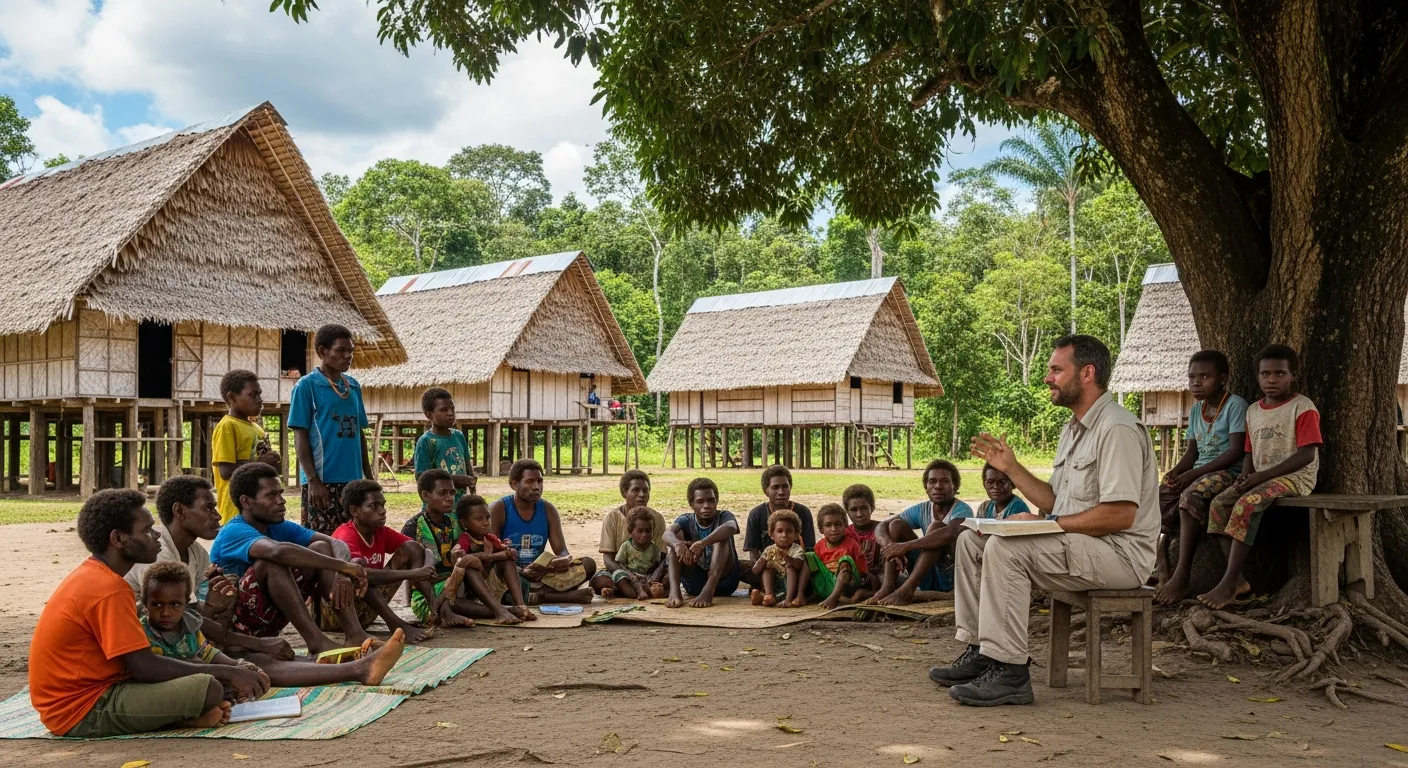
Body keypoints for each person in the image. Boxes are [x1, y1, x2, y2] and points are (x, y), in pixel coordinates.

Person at [950, 335, 1158, 707]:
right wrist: (1012, 469)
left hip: (1120, 556)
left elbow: (1120, 514)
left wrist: (1049, 524)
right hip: (1084, 546)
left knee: (1005, 549)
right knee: (972, 539)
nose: (1048, 378)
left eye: (1056, 370)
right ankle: (981, 651)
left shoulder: (1117, 429)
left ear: (1088, 373)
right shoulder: (1074, 428)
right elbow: (1055, 501)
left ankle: (1010, 671)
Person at [29, 489, 267, 737]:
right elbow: (145, 667)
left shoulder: (97, 576)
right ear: (118, 539)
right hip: (84, 709)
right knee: (209, 688)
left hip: (98, 692)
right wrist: (228, 671)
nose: (156, 536)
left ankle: (189, 712)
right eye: (146, 530)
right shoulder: (108, 588)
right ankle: (182, 719)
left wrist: (226, 669)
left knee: (203, 674)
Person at [141, 560, 407, 688]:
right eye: (157, 606)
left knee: (253, 664)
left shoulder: (188, 619)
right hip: (186, 675)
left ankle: (352, 660)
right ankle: (358, 668)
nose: (166, 612)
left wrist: (236, 665)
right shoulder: (146, 630)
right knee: (234, 677)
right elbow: (157, 667)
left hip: (221, 644)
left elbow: (207, 646)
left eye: (174, 605)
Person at [1195, 344, 1321, 610]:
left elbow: (1307, 455)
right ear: (1258, 377)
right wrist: (1245, 476)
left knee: (1246, 504)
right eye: (1265, 374)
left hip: (1295, 478)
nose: (1272, 380)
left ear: (1292, 375)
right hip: (1260, 478)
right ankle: (1238, 579)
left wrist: (1261, 477)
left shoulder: (1302, 407)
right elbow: (1250, 451)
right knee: (1219, 505)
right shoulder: (1253, 410)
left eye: (1279, 373)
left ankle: (1227, 584)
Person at [209, 463, 374, 655]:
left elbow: (336, 544)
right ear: (246, 502)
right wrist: (344, 566)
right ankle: (316, 641)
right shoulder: (234, 530)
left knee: (320, 548)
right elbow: (278, 552)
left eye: (280, 493)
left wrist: (343, 573)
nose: (281, 501)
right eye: (271, 496)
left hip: (267, 619)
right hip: (233, 629)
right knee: (271, 563)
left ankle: (355, 634)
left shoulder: (278, 526)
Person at [125, 476, 291, 661]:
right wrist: (258, 644)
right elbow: (182, 615)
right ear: (180, 511)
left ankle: (228, 650)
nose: (218, 516)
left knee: (229, 587)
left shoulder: (196, 552)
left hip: (173, 624)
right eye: (208, 508)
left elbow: (193, 611)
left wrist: (214, 604)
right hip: (144, 638)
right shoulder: (157, 551)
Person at [1154, 350, 1249, 604]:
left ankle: (1182, 574)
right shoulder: (1196, 410)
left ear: (1222, 378)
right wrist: (1176, 471)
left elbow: (1236, 451)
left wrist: (1195, 474)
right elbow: (1192, 453)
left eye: (1205, 376)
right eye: (1192, 377)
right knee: (1159, 497)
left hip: (1229, 472)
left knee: (1191, 495)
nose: (1196, 382)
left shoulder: (1235, 406)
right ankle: (1162, 563)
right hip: (1200, 472)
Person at [331, 480, 458, 641]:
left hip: (366, 610)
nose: (382, 511)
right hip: (339, 614)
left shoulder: (380, 532)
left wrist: (426, 569)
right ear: (354, 511)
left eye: (383, 505)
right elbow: (357, 573)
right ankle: (396, 624)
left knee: (411, 548)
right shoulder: (345, 535)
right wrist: (411, 573)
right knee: (360, 572)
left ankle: (434, 609)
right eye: (374, 506)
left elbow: (421, 550)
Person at [289, 324, 372, 535]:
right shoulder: (307, 386)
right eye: (341, 351)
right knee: (323, 542)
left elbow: (359, 434)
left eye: (350, 351)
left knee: (353, 539)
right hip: (323, 481)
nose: (348, 356)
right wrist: (313, 481)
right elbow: (301, 436)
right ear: (322, 352)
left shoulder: (353, 387)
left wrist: (368, 477)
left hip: (353, 481)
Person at [867, 459, 974, 606]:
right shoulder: (923, 508)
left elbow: (951, 532)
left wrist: (905, 547)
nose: (938, 486)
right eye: (932, 481)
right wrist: (890, 546)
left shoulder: (962, 510)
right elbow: (881, 526)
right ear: (926, 486)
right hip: (926, 575)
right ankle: (888, 587)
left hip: (950, 578)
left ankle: (907, 590)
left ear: (955, 487)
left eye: (944, 481)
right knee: (896, 526)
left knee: (936, 528)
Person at [491, 459, 596, 603]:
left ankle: (535, 595)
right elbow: (492, 553)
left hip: (540, 574)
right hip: (511, 574)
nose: (536, 487)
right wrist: (521, 571)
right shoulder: (499, 509)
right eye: (530, 482)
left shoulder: (548, 510)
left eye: (540, 481)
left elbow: (562, 550)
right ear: (514, 484)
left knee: (588, 564)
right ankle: (555, 596)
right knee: (507, 581)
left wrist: (562, 561)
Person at [399, 469, 478, 627]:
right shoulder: (413, 527)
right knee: (452, 589)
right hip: (428, 595)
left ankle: (493, 610)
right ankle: (445, 612)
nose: (449, 498)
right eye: (442, 493)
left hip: (456, 586)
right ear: (425, 496)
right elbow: (413, 574)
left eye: (452, 492)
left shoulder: (455, 524)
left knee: (468, 567)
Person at [440, 495, 534, 624]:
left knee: (507, 561)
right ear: (464, 523)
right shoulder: (465, 539)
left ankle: (521, 606)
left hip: (489, 588)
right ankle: (502, 611)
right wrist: (492, 556)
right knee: (470, 566)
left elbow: (506, 554)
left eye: (487, 517)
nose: (485, 522)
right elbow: (463, 559)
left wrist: (509, 551)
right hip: (468, 593)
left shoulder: (490, 538)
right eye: (479, 518)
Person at [211, 369, 281, 525]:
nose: (259, 400)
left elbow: (261, 462)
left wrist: (272, 459)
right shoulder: (227, 426)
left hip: (258, 509)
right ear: (232, 397)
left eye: (259, 395)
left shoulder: (257, 429)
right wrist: (260, 463)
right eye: (253, 395)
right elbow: (226, 471)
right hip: (235, 511)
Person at [664, 477, 742, 609]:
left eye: (711, 500)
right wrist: (678, 545)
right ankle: (675, 592)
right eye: (700, 502)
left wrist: (703, 543)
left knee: (721, 537)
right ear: (691, 504)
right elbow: (667, 534)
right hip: (694, 585)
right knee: (675, 544)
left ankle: (708, 591)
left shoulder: (724, 516)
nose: (706, 506)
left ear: (716, 501)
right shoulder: (686, 519)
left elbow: (732, 527)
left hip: (724, 582)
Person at [591, 469, 666, 594]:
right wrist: (629, 575)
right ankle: (638, 589)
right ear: (624, 492)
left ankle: (625, 590)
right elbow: (608, 558)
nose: (642, 494)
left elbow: (662, 557)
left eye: (645, 490)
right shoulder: (612, 518)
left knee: (672, 576)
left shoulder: (657, 518)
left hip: (650, 572)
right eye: (636, 490)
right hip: (621, 571)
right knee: (598, 581)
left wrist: (653, 578)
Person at [741, 465, 815, 587]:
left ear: (790, 488)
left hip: (795, 568)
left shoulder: (803, 512)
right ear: (766, 491)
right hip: (768, 568)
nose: (781, 492)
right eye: (775, 487)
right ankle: (768, 586)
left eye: (785, 486)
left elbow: (809, 550)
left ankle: (775, 588)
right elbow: (753, 553)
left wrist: (793, 565)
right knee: (737, 567)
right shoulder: (756, 514)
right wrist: (764, 565)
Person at [414, 388, 476, 504]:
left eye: (452, 409)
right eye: (444, 410)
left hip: (460, 506)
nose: (450, 413)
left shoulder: (458, 436)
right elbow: (422, 479)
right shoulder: (426, 442)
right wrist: (456, 480)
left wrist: (473, 496)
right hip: (438, 508)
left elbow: (468, 467)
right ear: (429, 415)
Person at [808, 503, 868, 610]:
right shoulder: (819, 546)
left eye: (838, 524)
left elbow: (862, 571)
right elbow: (820, 572)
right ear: (821, 529)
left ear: (845, 525)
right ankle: (842, 599)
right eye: (828, 525)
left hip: (848, 585)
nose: (834, 529)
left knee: (845, 559)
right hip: (828, 584)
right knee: (809, 556)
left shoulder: (851, 544)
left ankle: (834, 597)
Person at [749, 508, 808, 607]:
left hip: (792, 586)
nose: (784, 535)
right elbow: (755, 570)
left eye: (789, 531)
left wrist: (787, 558)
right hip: (776, 585)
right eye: (780, 531)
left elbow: (798, 566)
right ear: (772, 534)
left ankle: (788, 599)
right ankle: (768, 596)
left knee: (790, 566)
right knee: (768, 566)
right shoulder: (770, 549)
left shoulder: (796, 549)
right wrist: (764, 559)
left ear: (796, 534)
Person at [605, 507, 667, 600]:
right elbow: (619, 563)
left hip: (647, 577)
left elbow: (656, 565)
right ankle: (638, 591)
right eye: (640, 531)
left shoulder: (654, 548)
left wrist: (652, 577)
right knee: (618, 575)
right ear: (630, 532)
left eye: (648, 531)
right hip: (630, 576)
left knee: (664, 572)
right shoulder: (626, 546)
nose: (644, 535)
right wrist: (630, 574)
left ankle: (637, 592)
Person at [842, 484, 883, 600]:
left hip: (880, 577)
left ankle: (871, 594)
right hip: (855, 577)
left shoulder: (882, 529)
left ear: (872, 507)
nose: (859, 514)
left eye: (864, 508)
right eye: (854, 510)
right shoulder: (844, 534)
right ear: (847, 512)